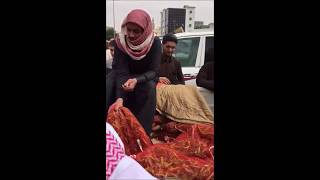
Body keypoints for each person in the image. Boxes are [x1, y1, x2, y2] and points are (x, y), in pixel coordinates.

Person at [109, 9, 161, 135]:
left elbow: (154, 71)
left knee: (149, 88)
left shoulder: (154, 42)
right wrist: (120, 98)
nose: (131, 35)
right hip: (124, 76)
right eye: (129, 30)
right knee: (109, 82)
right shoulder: (120, 41)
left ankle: (141, 135)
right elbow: (121, 71)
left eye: (136, 31)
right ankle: (111, 131)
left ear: (146, 30)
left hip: (145, 78)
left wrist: (137, 80)